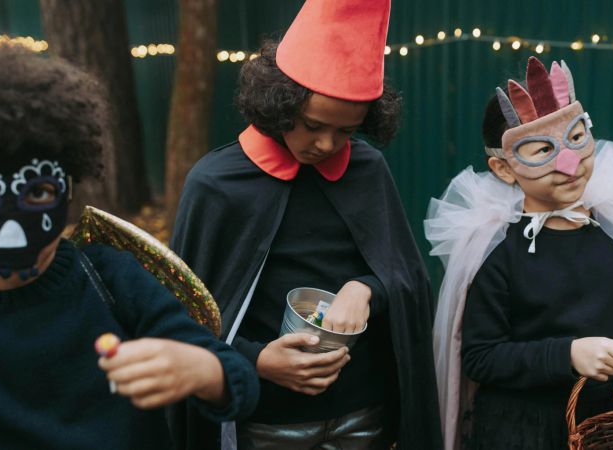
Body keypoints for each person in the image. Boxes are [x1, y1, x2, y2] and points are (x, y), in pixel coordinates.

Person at [0, 38, 258, 449]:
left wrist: (206, 370)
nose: (12, 226)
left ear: (66, 193)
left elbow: (237, 382)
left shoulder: (113, 279)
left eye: (37, 193)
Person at [170, 0, 442, 448]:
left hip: (363, 412)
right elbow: (184, 316)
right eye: (314, 124)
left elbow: (407, 279)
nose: (326, 144)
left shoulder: (367, 170)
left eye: (346, 132)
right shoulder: (216, 184)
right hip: (264, 420)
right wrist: (254, 361)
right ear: (279, 104)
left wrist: (367, 289)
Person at [425, 56, 613, 449]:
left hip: (604, 424)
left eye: (576, 139)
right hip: (519, 431)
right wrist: (568, 355)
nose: (569, 163)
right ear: (504, 168)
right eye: (541, 149)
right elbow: (480, 356)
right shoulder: (496, 249)